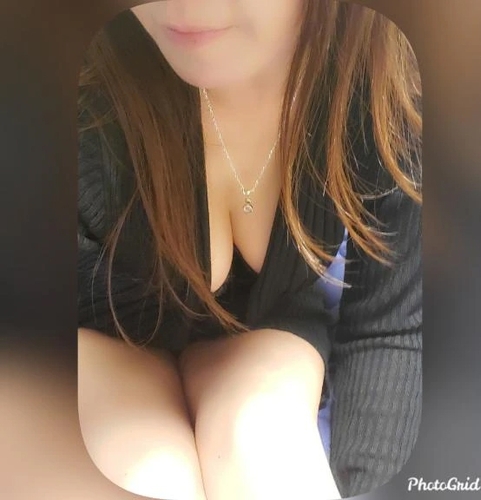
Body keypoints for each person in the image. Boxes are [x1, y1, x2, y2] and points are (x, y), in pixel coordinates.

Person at [77, 2, 422, 499]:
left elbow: (390, 328)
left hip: (268, 340)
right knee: (150, 472)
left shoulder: (382, 78)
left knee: (263, 448)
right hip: (93, 340)